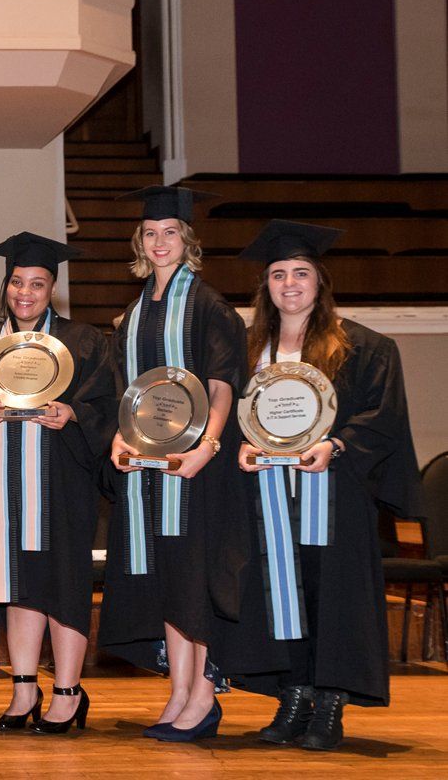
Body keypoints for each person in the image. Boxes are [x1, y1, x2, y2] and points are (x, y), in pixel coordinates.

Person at [228, 220, 423, 751]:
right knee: (279, 593)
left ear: (320, 280)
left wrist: (335, 447)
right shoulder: (249, 351)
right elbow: (230, 419)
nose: (289, 283)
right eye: (277, 274)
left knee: (333, 595)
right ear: (264, 285)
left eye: (300, 272)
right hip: (267, 494)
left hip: (333, 495)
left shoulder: (362, 347)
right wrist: (240, 446)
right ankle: (293, 697)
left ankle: (329, 706)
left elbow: (381, 418)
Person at [100, 185, 250, 742]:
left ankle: (204, 696)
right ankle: (179, 690)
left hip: (196, 472)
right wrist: (120, 436)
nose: (159, 242)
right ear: (139, 240)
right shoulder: (137, 311)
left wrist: (205, 449)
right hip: (149, 473)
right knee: (169, 580)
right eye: (150, 233)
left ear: (187, 240)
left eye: (170, 233)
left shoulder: (208, 306)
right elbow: (131, 391)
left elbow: (221, 387)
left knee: (195, 579)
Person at [0, 232, 117, 735]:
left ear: (52, 287)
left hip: (62, 484)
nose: (24, 293)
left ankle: (69, 691)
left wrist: (73, 413)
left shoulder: (83, 341)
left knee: (63, 584)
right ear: (5, 285)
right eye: (16, 282)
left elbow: (109, 409)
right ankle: (24, 688)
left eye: (37, 283)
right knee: (17, 584)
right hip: (1, 483)